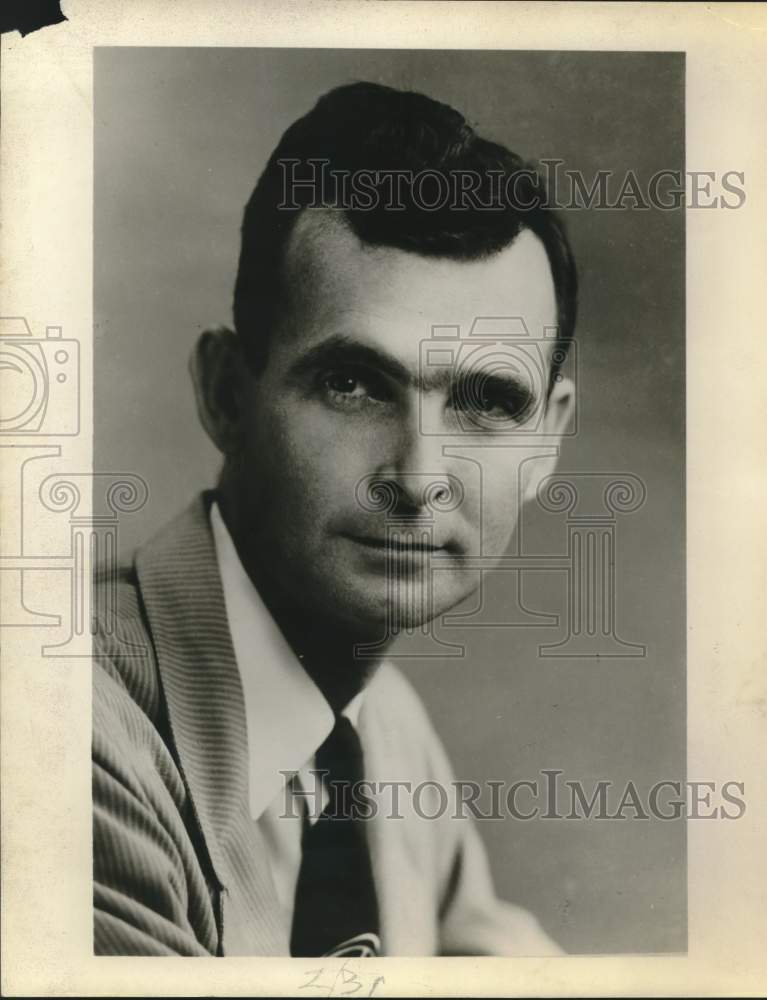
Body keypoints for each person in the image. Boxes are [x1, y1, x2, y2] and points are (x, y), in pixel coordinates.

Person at [92, 80, 577, 957]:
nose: (420, 477)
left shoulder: (381, 728)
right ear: (227, 394)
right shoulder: (63, 733)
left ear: (546, 440)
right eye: (353, 385)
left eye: (486, 402)